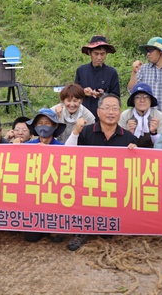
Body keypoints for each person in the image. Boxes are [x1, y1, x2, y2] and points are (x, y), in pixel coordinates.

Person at [65, 94, 137, 251]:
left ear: (120, 112)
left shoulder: (129, 138)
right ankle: (80, 231)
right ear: (98, 112)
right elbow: (69, 155)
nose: (111, 112)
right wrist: (76, 132)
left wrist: (135, 153)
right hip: (87, 184)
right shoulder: (86, 133)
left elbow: (135, 170)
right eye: (107, 108)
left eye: (115, 108)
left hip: (114, 188)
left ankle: (108, 225)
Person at [20, 109, 66, 242]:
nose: (43, 126)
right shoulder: (27, 146)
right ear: (34, 126)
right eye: (39, 123)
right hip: (33, 196)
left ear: (55, 126)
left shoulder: (62, 148)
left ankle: (54, 226)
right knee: (31, 238)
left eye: (47, 123)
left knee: (57, 238)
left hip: (54, 194)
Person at [128, 37, 162, 124]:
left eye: (151, 50)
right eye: (147, 51)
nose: (148, 54)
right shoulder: (142, 69)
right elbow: (132, 91)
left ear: (161, 52)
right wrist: (134, 73)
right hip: (145, 124)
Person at [74, 35, 120, 117]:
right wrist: (83, 92)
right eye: (96, 53)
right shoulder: (81, 70)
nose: (99, 57)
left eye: (102, 54)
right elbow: (74, 94)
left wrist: (103, 95)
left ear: (106, 54)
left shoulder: (112, 72)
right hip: (84, 114)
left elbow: (116, 97)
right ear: (89, 53)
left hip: (105, 115)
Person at [119, 83, 162, 148]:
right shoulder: (125, 115)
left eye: (146, 97)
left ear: (151, 100)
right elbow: (119, 143)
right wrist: (128, 133)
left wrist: (153, 133)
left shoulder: (158, 115)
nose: (142, 100)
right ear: (133, 100)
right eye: (137, 97)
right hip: (130, 153)